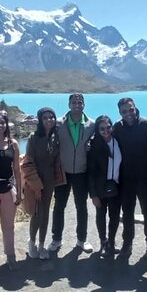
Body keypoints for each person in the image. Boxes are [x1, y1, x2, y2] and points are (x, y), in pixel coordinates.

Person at [49, 93, 96, 254]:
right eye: (74, 102)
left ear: (84, 105)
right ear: (69, 105)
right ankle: (56, 239)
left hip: (81, 172)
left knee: (81, 206)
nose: (77, 105)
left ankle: (82, 240)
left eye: (80, 102)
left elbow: (96, 139)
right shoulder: (59, 124)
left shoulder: (91, 124)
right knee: (59, 206)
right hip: (63, 171)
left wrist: (92, 142)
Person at [113, 97, 147, 257]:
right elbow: (108, 143)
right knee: (127, 211)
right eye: (124, 111)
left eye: (130, 109)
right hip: (126, 178)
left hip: (145, 178)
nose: (128, 113)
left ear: (135, 107)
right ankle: (127, 242)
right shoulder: (117, 127)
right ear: (120, 112)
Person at [21, 107, 65, 260]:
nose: (49, 120)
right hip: (36, 182)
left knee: (45, 213)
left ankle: (41, 244)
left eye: (51, 117)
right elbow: (28, 163)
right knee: (36, 214)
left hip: (50, 182)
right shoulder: (33, 138)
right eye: (45, 117)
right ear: (40, 120)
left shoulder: (56, 136)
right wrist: (37, 186)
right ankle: (32, 242)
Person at [0, 110, 23, 270]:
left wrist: (19, 192)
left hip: (8, 190)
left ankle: (11, 256)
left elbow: (16, 169)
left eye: (3, 122)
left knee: (8, 227)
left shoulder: (13, 144)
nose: (0, 125)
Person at [87, 115, 122, 258]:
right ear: (98, 130)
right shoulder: (94, 145)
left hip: (116, 185)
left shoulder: (118, 142)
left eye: (108, 127)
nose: (106, 130)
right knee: (101, 215)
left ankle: (111, 242)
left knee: (114, 216)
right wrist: (93, 195)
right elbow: (90, 172)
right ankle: (103, 242)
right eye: (102, 128)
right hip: (100, 187)